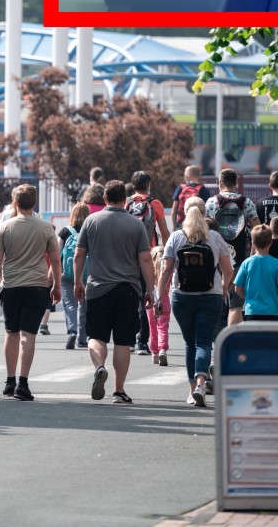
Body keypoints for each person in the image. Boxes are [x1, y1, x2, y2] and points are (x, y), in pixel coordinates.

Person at [74, 179, 156, 405]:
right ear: (124, 200)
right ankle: (119, 390)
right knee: (123, 340)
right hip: (128, 288)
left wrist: (78, 282)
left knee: (96, 336)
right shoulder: (136, 224)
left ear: (104, 199)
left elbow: (79, 254)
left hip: (98, 288)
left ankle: (99, 367)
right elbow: (146, 258)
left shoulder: (91, 221)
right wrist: (151, 289)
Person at [0, 184, 61, 402]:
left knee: (11, 332)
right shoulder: (46, 227)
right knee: (29, 335)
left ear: (15, 203)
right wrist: (55, 285)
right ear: (34, 203)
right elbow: (55, 259)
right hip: (37, 286)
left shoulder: (5, 227)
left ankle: (9, 380)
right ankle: (23, 383)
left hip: (12, 286)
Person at [156, 202, 234, 408]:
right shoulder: (215, 237)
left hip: (182, 296)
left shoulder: (177, 237)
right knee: (204, 342)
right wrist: (224, 288)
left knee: (190, 343)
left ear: (184, 215)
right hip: (211, 296)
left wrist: (158, 295)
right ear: (204, 214)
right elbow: (228, 270)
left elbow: (166, 270)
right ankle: (201, 383)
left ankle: (192, 390)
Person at [206, 168, 259, 326]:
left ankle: (217, 335)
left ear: (220, 183)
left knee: (217, 297)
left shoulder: (212, 202)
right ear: (236, 183)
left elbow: (206, 230)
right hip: (240, 257)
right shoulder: (246, 202)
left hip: (216, 257)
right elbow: (257, 229)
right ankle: (231, 337)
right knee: (236, 303)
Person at [128, 170, 169, 356]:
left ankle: (127, 338)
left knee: (129, 297)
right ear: (148, 185)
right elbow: (164, 231)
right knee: (147, 295)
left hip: (126, 256)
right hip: (149, 255)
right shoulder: (155, 204)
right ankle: (142, 342)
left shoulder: (126, 202)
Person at [231, 225, 278, 321]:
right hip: (272, 311)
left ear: (253, 242)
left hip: (251, 311)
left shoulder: (246, 263)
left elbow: (237, 288)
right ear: (271, 242)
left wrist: (248, 297)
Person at [57, 202, 91, 350]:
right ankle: (82, 339)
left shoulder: (65, 232)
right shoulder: (90, 230)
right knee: (83, 305)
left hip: (67, 274)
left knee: (70, 304)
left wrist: (54, 274)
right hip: (87, 273)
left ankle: (72, 331)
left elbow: (57, 254)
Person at [144, 248, 171, 365]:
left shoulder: (149, 271)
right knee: (163, 327)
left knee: (152, 328)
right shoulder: (166, 271)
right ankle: (163, 349)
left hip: (151, 301)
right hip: (164, 301)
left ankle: (154, 353)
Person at [170, 165, 212, 230]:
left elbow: (174, 210)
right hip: (198, 226)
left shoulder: (180, 188)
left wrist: (174, 227)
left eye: (185, 174)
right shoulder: (204, 190)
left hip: (182, 225)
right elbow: (207, 210)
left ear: (188, 175)